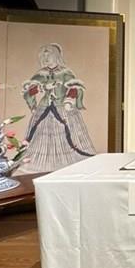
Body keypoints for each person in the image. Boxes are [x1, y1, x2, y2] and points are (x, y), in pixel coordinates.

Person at [21, 43, 96, 173]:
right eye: (43, 57)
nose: (46, 59)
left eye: (48, 56)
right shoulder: (41, 73)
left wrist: (69, 101)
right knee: (42, 135)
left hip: (63, 107)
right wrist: (42, 90)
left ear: (56, 56)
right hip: (44, 107)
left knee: (67, 133)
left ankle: (66, 163)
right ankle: (43, 163)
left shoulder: (65, 72)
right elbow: (29, 91)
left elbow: (74, 88)